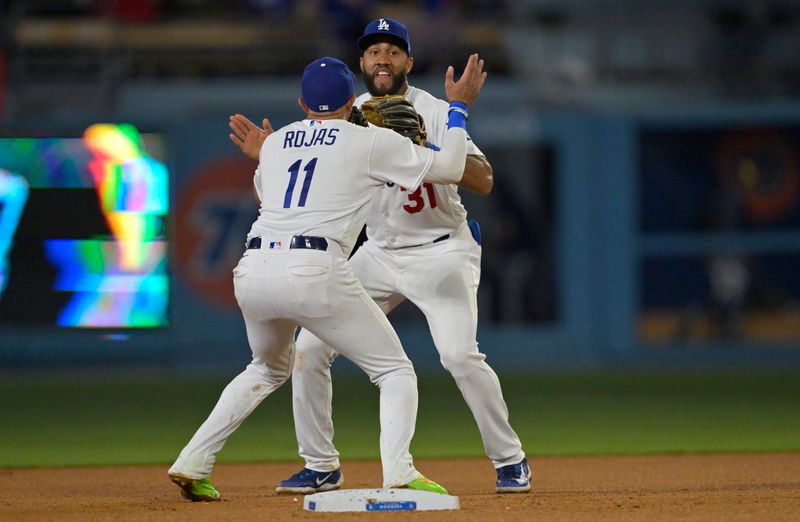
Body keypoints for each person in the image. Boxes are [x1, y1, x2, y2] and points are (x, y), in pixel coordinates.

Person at [229, 17, 530, 495]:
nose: (382, 59)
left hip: (441, 251)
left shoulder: (432, 110)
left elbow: (483, 179)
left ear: (409, 61)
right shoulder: (347, 116)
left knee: (459, 356)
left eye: (393, 50)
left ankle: (510, 459)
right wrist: (271, 154)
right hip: (380, 252)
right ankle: (320, 465)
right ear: (361, 63)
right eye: (373, 51)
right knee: (308, 348)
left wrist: (427, 142)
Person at [168, 53, 487, 502]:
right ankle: (399, 471)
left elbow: (269, 193)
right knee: (394, 371)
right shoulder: (366, 139)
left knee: (264, 368)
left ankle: (192, 461)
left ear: (301, 101)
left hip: (254, 270)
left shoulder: (277, 143)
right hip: (314, 269)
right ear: (351, 101)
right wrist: (458, 109)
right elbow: (454, 169)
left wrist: (266, 151)